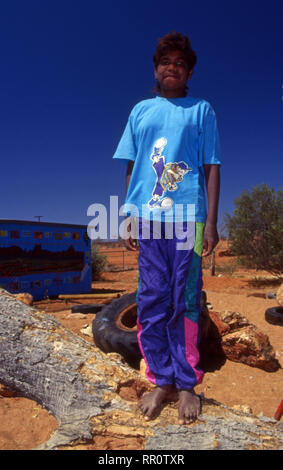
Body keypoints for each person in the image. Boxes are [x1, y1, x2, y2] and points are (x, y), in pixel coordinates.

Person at [113, 31, 221, 424]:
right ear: (156, 69)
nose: (171, 68)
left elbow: (211, 166)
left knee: (186, 299)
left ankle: (187, 381)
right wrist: (127, 212)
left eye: (179, 63)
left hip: (188, 220)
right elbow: (131, 164)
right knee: (152, 299)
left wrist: (210, 222)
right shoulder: (140, 111)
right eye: (165, 62)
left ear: (189, 71)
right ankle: (161, 379)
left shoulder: (201, 110)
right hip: (147, 219)